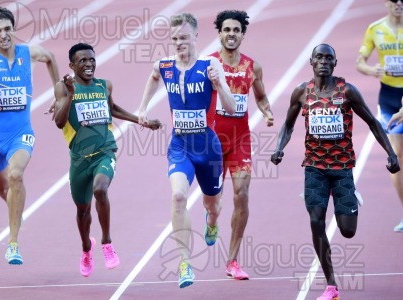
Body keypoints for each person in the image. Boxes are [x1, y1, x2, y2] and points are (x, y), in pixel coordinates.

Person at [271, 44, 400, 300]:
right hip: (314, 168)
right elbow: (287, 126)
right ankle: (331, 284)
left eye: (328, 58)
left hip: (342, 169)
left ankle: (351, 197)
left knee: (347, 231)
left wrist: (391, 153)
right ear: (311, 61)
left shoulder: (347, 91)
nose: (323, 62)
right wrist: (279, 149)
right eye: (319, 57)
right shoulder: (301, 92)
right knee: (316, 221)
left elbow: (373, 123)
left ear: (335, 63)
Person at [138, 13, 235, 288]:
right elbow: (154, 75)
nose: (179, 43)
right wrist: (142, 108)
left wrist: (219, 84)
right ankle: (184, 263)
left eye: (183, 38)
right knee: (179, 196)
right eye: (174, 39)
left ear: (195, 37)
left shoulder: (210, 64)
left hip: (208, 148)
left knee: (212, 204)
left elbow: (229, 107)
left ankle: (212, 222)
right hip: (180, 145)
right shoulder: (165, 65)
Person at [0, 6, 60, 265]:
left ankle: (13, 244)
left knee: (16, 175)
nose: (3, 35)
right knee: (2, 187)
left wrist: (58, 94)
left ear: (14, 30)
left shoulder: (29, 53)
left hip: (21, 132)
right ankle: (16, 210)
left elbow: (50, 58)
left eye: (7, 29)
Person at [54, 43, 161, 278]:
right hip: (79, 160)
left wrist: (141, 121)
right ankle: (86, 248)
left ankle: (107, 242)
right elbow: (59, 122)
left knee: (101, 189)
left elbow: (113, 109)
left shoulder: (104, 85)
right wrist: (70, 95)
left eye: (91, 59)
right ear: (72, 65)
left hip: (105, 151)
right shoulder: (63, 87)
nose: (89, 64)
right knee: (83, 211)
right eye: (82, 61)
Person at [210, 10, 273, 280]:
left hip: (240, 141)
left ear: (242, 34)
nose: (231, 34)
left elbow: (261, 97)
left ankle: (232, 261)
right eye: (227, 30)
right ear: (220, 33)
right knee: (213, 200)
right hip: (211, 141)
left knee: (242, 193)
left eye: (236, 30)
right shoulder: (207, 64)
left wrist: (267, 112)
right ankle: (211, 219)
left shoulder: (252, 67)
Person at [356, 0, 403, 232]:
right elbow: (360, 62)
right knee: (397, 155)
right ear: (387, 3)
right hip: (389, 97)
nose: (400, 4)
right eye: (395, 0)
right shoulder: (375, 29)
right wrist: (371, 70)